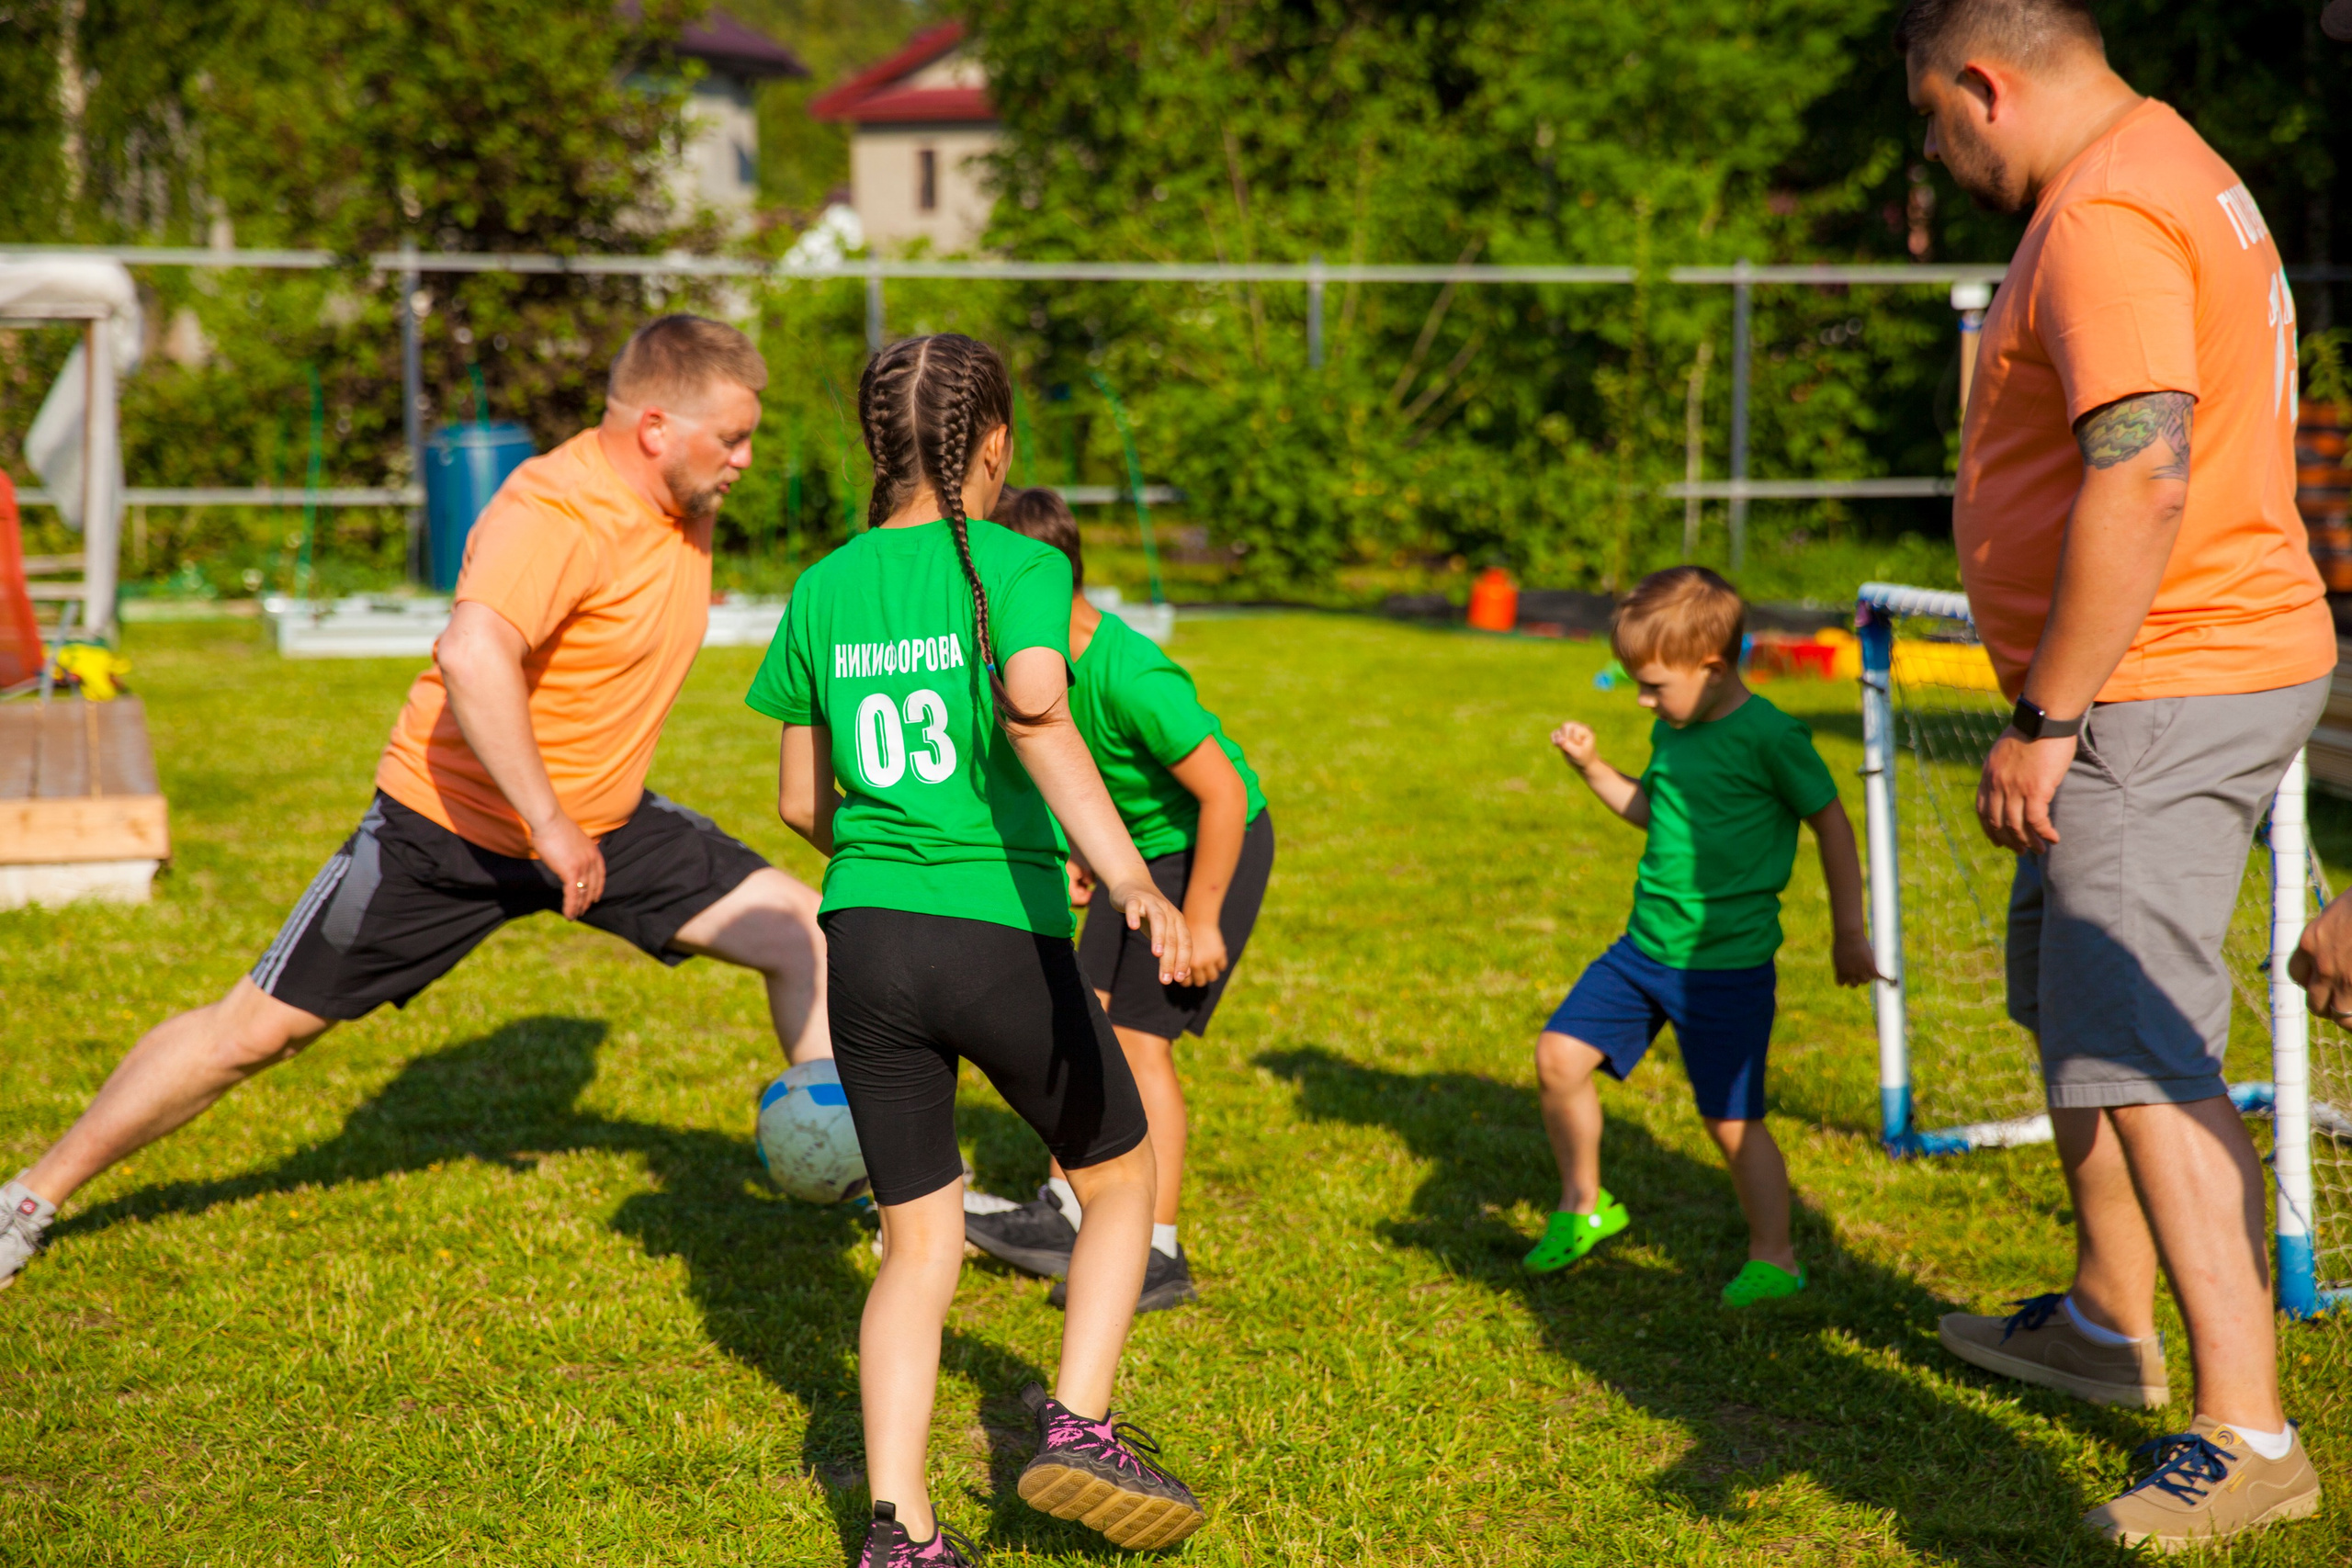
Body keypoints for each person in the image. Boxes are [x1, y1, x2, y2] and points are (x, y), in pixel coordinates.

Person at [0, 315, 832, 1290]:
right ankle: (29, 1198)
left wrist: (574, 824)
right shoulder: (556, 511)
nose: (743, 459)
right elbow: (471, 654)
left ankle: (841, 1163)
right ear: (654, 426)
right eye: (730, 438)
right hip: (452, 829)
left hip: (602, 824)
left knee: (802, 928)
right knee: (254, 1032)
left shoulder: (680, 496)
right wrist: (549, 825)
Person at [1898, 0, 2331, 1550]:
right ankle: (2104, 1317)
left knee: (2145, 1048)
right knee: (2068, 1004)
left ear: (1982, 83)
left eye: (1940, 127)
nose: (1941, 161)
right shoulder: (2163, 164)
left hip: (2154, 684)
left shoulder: (2108, 209)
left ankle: (2250, 1431)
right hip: (2160, 675)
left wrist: (2051, 713)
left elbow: (2144, 468)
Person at [748, 333, 1205, 1566]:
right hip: (996, 927)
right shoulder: (1014, 563)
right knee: (1118, 1176)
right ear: (994, 444)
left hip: (868, 933)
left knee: (918, 1235)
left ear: (875, 446)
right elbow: (1041, 707)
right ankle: (1081, 1421)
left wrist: (891, 839)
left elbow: (802, 802)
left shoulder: (825, 583)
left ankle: (901, 1528)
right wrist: (1127, 878)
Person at [961, 485, 1273, 1315]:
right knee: (1080, 1016)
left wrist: (1203, 917)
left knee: (1140, 1042)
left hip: (1208, 850)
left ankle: (1159, 1250)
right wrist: (1076, 854)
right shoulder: (1033, 665)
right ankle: (1070, 1206)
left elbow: (1221, 795)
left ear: (1044, 581)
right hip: (1132, 855)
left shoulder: (1130, 672)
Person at [1530, 567, 1876, 1304]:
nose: (1642, 699)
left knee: (1730, 1122)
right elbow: (1653, 811)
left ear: (1713, 667)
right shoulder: (1674, 729)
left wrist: (1850, 931)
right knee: (1558, 1056)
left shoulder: (1772, 737)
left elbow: (1832, 823)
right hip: (1643, 950)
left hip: (1723, 969)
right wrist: (1592, 767)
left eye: (1653, 684)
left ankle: (1775, 1256)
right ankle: (1583, 1203)